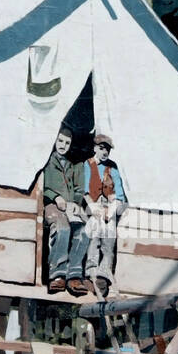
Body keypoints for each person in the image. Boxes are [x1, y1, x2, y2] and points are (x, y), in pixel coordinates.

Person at [40, 128, 90, 295]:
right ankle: (57, 275)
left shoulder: (72, 164)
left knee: (83, 231)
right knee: (62, 229)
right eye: (60, 141)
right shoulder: (47, 161)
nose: (63, 145)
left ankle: (74, 275)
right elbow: (42, 186)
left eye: (67, 143)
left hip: (69, 206)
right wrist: (55, 197)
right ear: (55, 141)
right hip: (52, 205)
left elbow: (78, 187)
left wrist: (76, 202)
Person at [80, 133, 127, 298]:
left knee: (109, 237)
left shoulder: (112, 167)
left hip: (109, 206)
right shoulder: (88, 164)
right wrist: (94, 208)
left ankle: (104, 274)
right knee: (94, 234)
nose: (104, 152)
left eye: (107, 149)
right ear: (95, 148)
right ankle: (91, 272)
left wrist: (110, 211)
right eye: (101, 148)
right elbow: (85, 191)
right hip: (92, 206)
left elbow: (119, 194)